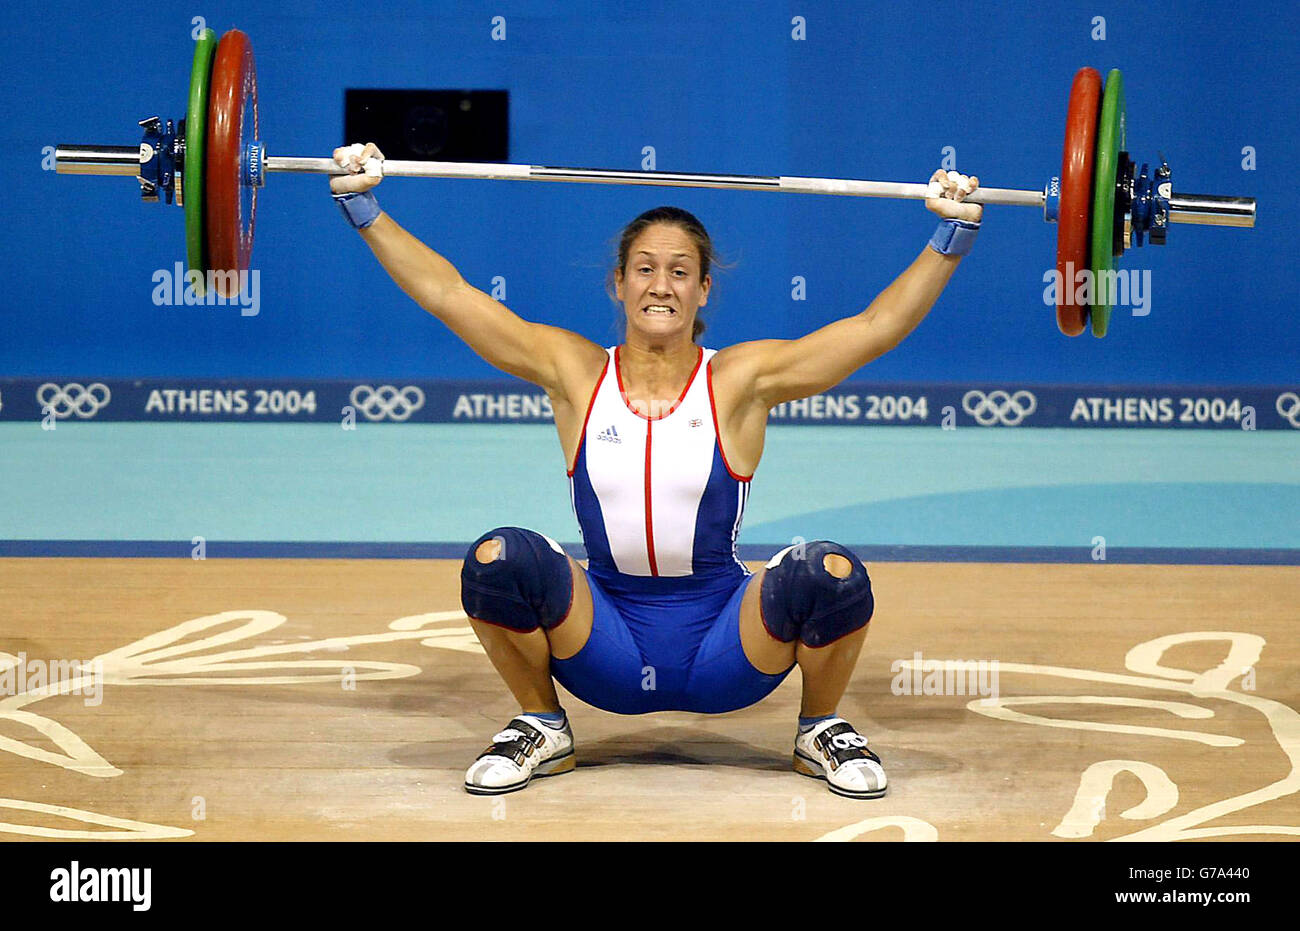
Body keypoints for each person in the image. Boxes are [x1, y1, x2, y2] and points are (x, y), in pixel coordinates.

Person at [330, 143, 982, 799]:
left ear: (703, 289)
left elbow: (876, 326)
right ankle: (541, 722)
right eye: (644, 268)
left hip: (729, 647)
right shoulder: (575, 371)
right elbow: (449, 294)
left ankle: (820, 728)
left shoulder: (741, 380)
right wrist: (363, 208)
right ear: (618, 282)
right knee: (497, 558)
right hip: (603, 643)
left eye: (679, 271)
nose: (660, 285)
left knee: (830, 572)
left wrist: (950, 235)